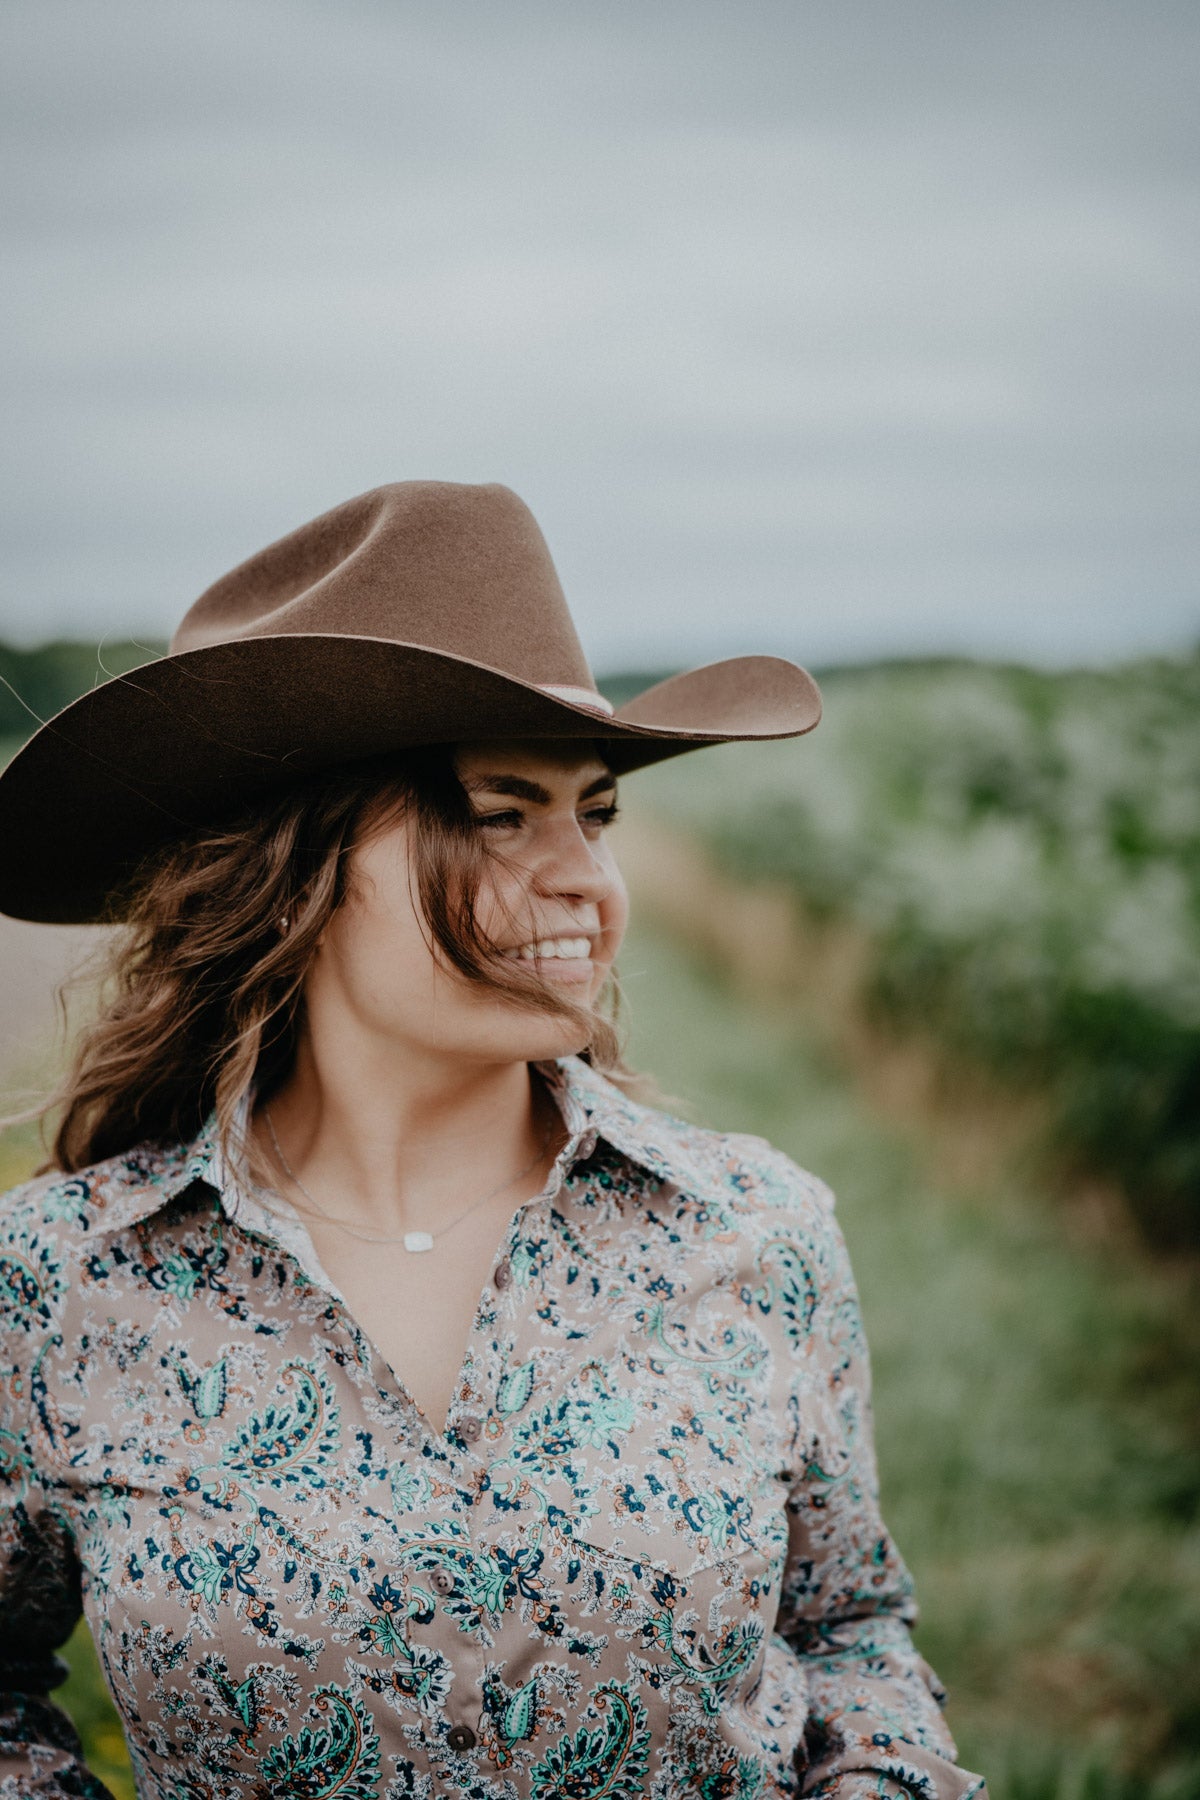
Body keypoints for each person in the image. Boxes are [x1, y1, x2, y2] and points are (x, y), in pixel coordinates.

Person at [0, 481, 985, 1799]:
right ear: (292, 872)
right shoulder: (63, 1281)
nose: (589, 878)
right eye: (501, 813)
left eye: (597, 813)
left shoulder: (756, 1231)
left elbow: (849, 1633)